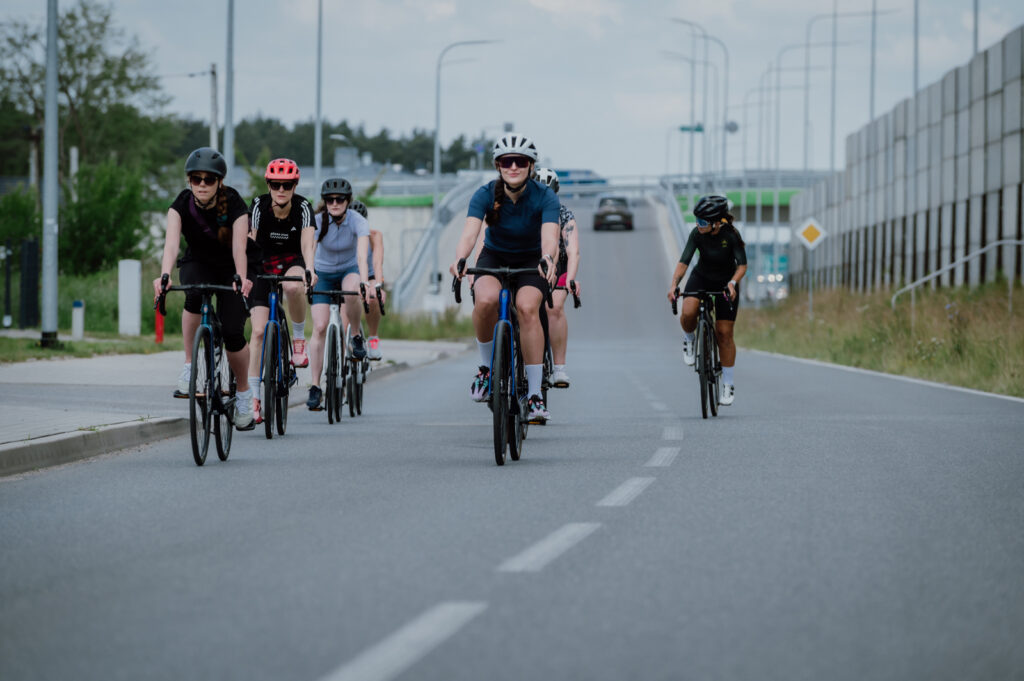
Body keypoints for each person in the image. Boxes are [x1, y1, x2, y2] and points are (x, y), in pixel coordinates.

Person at [450, 133, 559, 422]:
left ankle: (534, 396)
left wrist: (548, 258)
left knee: (526, 309)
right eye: (506, 161)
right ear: (498, 165)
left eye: (520, 161)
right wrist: (461, 258)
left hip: (532, 261)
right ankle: (486, 370)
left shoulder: (544, 196)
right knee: (485, 301)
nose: (513, 166)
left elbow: (550, 237)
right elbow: (470, 233)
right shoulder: (484, 194)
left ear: (530, 166)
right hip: (494, 257)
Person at [152, 146, 257, 430]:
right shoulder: (181, 205)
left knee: (234, 332)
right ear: (189, 181)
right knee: (194, 294)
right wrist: (164, 275)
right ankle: (189, 365)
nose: (201, 185)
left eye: (208, 180)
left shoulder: (234, 203)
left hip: (229, 268)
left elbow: (239, 247)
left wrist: (241, 277)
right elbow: (172, 244)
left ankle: (245, 394)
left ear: (219, 182)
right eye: (195, 179)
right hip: (198, 261)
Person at [247, 158, 316, 423]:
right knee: (257, 332)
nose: (281, 189)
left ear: (295, 185)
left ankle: (298, 339)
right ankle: (252, 398)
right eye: (275, 184)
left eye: (287, 185)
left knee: (292, 285)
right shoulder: (258, 206)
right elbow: (251, 241)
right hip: (263, 264)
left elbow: (308, 244)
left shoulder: (303, 207)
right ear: (268, 185)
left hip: (293, 262)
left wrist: (310, 269)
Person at [667, 195, 747, 406]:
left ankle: (728, 384)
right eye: (697, 221)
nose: (698, 225)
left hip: (725, 282)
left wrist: (733, 283)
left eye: (702, 222)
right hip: (701, 276)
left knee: (724, 333)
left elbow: (742, 265)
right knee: (688, 311)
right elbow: (684, 261)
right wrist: (674, 284)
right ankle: (690, 340)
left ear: (715, 222)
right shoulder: (697, 234)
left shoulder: (731, 235)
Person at [305, 178, 374, 410]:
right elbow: (310, 250)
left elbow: (363, 255)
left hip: (349, 269)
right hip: (322, 273)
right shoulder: (316, 221)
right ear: (325, 202)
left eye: (340, 199)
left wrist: (365, 281)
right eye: (330, 200)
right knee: (320, 326)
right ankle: (315, 386)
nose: (334, 203)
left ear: (348, 201)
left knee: (354, 288)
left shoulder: (358, 221)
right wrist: (310, 273)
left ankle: (355, 335)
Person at [532, 167, 581, 388]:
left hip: (557, 268)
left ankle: (559, 368)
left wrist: (570, 278)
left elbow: (573, 252)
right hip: (529, 266)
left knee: (554, 308)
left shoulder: (564, 214)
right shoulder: (524, 211)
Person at [349, 199, 386, 360]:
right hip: (348, 275)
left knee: (373, 298)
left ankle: (373, 337)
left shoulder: (374, 235)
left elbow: (377, 262)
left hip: (369, 275)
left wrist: (378, 285)